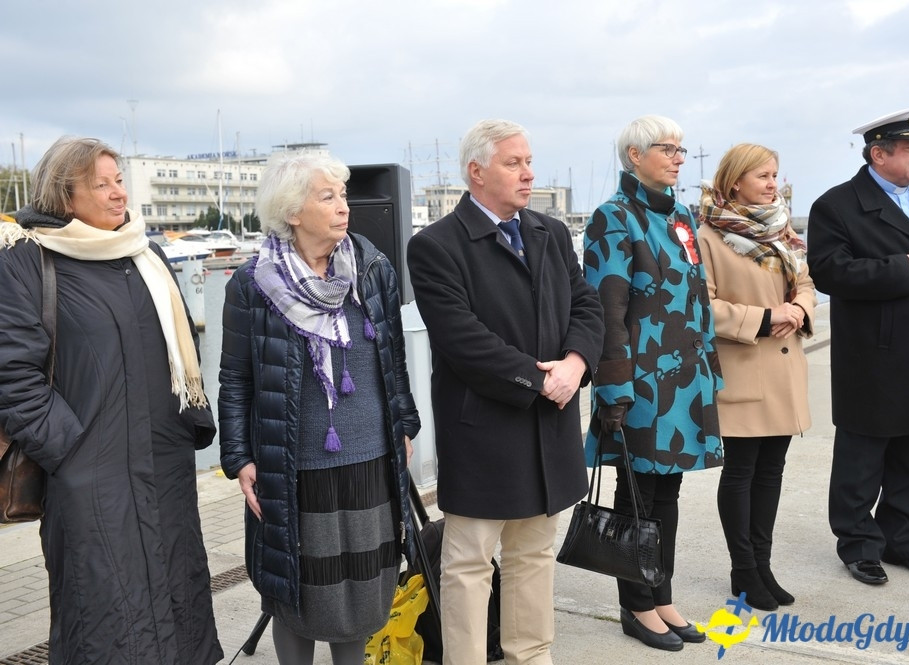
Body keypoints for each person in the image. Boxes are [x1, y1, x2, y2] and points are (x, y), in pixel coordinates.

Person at [0, 137, 222, 663]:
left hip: (163, 466)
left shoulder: (145, 251)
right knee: (101, 614)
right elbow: (11, 372)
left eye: (119, 179)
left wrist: (187, 426)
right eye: (100, 184)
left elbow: (179, 346)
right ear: (63, 195)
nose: (118, 193)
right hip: (87, 474)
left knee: (178, 601)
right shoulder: (26, 258)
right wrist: (72, 455)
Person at [407, 119, 604, 665]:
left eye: (529, 161)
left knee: (535, 555)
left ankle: (530, 656)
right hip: (484, 432)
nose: (529, 173)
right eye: (514, 163)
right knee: (468, 562)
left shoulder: (550, 232)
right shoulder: (435, 246)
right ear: (477, 171)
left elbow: (585, 305)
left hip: (550, 426)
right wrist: (542, 379)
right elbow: (462, 339)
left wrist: (576, 361)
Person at [218, 152, 420, 664]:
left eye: (344, 195)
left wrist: (405, 424)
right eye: (326, 196)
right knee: (297, 589)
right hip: (293, 464)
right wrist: (240, 457)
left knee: (360, 589)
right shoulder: (252, 284)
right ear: (292, 210)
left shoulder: (371, 267)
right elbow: (236, 378)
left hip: (369, 457)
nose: (343, 207)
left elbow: (392, 357)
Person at [807, 106, 909, 586]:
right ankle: (859, 545)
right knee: (863, 456)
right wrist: (900, 271)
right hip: (874, 354)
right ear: (879, 154)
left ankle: (903, 539)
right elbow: (829, 271)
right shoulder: (836, 205)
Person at [582, 115, 722, 652]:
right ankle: (636, 605)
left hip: (685, 380)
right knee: (638, 491)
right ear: (635, 156)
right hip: (640, 382)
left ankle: (661, 594)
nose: (678, 157)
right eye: (667, 148)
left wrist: (710, 367)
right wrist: (612, 385)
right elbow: (606, 307)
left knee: (669, 489)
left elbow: (696, 298)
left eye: (682, 149)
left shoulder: (682, 215)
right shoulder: (614, 217)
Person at [698, 144, 815, 610]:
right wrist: (768, 317)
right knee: (742, 472)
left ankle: (763, 564)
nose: (772, 183)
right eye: (763, 176)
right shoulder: (708, 236)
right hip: (745, 370)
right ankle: (743, 569)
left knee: (772, 471)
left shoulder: (781, 229)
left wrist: (801, 309)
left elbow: (804, 281)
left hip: (785, 369)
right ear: (734, 182)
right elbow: (703, 309)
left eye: (775, 175)